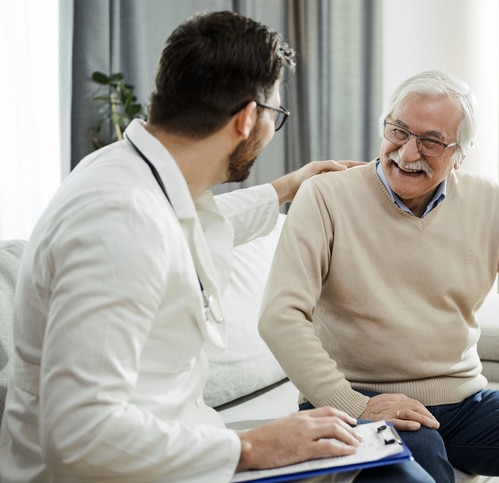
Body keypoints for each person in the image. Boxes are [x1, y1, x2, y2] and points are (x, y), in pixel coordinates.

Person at [0, 12, 432, 483]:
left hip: (183, 447)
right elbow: (78, 434)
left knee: (388, 460)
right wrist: (252, 446)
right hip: (124, 473)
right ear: (249, 118)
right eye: (277, 116)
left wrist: (287, 187)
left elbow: (188, 225)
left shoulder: (129, 175)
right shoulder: (119, 222)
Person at [259, 70, 499, 482]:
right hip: (354, 402)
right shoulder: (325, 197)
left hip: (462, 403)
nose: (408, 152)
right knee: (422, 468)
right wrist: (354, 405)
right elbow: (280, 315)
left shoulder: (491, 202)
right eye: (398, 131)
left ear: (461, 154)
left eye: (431, 141)